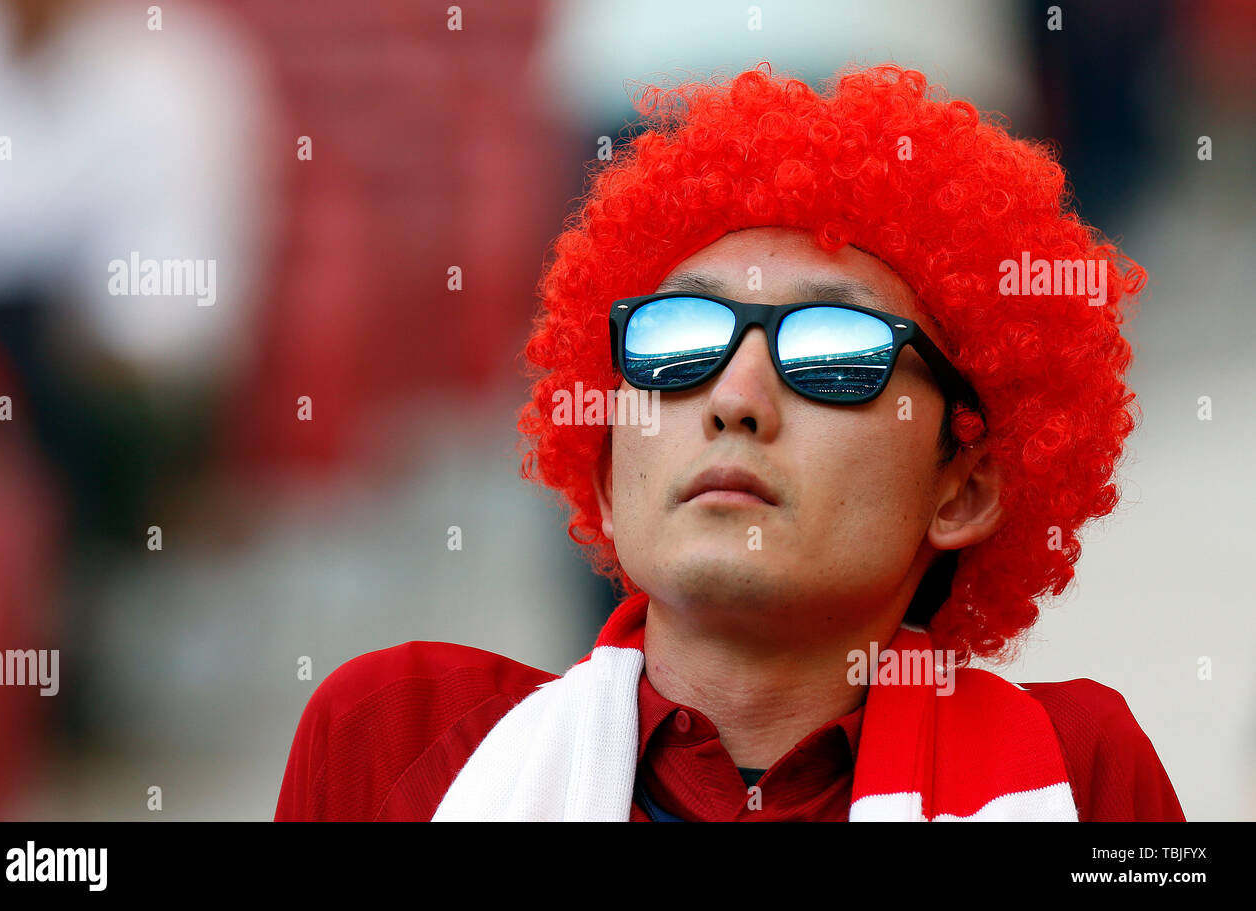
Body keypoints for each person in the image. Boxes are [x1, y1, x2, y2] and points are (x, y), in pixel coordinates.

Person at [274, 63, 1185, 821]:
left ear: (965, 489)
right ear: (603, 466)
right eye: (678, 343)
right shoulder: (395, 742)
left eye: (835, 351)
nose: (736, 400)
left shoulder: (1084, 775)